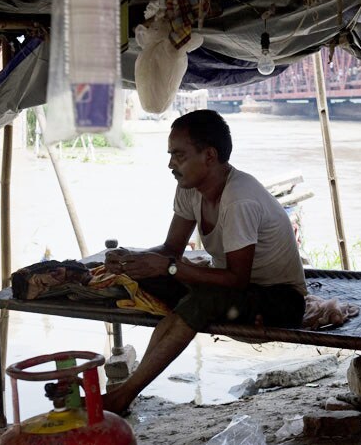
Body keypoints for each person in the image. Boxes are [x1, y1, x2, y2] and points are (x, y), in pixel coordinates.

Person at [103, 109, 306, 414]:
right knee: (145, 275)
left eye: (179, 155)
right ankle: (128, 388)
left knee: (201, 299)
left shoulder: (240, 199)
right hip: (233, 292)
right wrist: (134, 258)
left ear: (209, 156)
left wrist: (170, 267)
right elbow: (172, 249)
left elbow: (236, 279)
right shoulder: (190, 189)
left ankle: (126, 392)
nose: (171, 164)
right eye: (171, 155)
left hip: (279, 299)